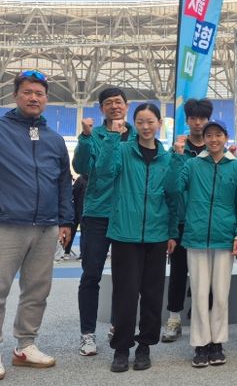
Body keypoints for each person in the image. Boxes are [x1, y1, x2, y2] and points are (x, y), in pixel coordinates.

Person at [0, 70, 74, 379]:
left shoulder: (54, 139)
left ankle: (25, 346)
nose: (34, 98)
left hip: (46, 226)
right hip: (7, 224)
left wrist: (66, 220)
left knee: (37, 290)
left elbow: (63, 182)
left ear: (46, 99)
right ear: (15, 96)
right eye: (28, 92)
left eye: (39, 94)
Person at [98, 103, 178, 373]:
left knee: (153, 295)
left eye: (150, 121)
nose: (145, 126)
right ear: (134, 124)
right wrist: (112, 137)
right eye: (140, 121)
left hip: (157, 235)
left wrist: (172, 232)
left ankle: (145, 346)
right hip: (125, 233)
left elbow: (173, 197)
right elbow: (104, 172)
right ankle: (121, 348)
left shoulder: (167, 157)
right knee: (125, 294)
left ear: (159, 124)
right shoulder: (122, 150)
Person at [171, 120, 237, 367]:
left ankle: (217, 343)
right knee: (200, 294)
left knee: (221, 295)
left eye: (218, 135)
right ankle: (200, 343)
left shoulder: (236, 166)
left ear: (226, 137)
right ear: (203, 139)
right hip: (196, 238)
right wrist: (177, 157)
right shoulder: (192, 164)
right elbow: (173, 188)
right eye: (209, 135)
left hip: (225, 238)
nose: (213, 139)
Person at [73, 87, 135, 356]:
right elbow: (82, 167)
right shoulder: (93, 135)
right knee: (91, 275)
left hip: (127, 215)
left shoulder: (138, 135)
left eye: (118, 102)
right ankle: (87, 334)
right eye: (108, 103)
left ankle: (117, 324)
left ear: (127, 106)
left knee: (125, 277)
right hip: (97, 214)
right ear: (101, 109)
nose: (114, 106)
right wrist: (88, 138)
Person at [162, 98, 213, 343]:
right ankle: (174, 318)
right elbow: (170, 190)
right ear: (187, 120)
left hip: (207, 223)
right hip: (182, 222)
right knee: (179, 272)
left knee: (206, 275)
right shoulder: (176, 150)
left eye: (202, 118)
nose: (198, 123)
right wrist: (171, 229)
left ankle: (203, 318)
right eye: (193, 118)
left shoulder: (215, 150)